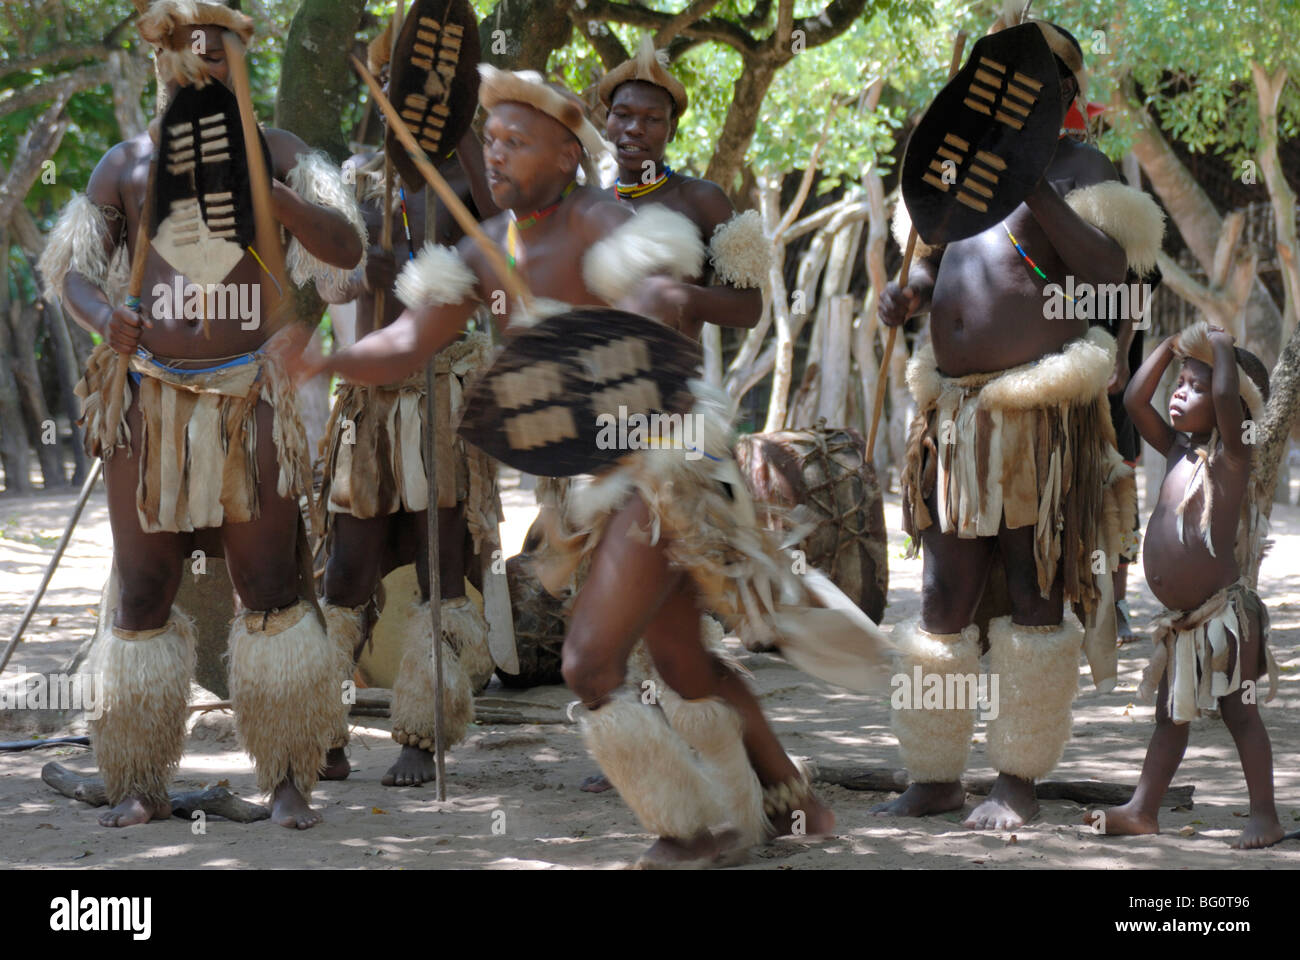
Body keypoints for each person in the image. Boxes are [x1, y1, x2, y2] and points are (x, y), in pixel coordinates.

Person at [286, 66, 876, 867]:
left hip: (664, 468)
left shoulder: (605, 225)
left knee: (588, 663)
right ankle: (791, 801)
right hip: (598, 482)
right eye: (490, 141)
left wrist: (635, 313)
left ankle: (692, 830)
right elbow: (407, 343)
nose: (495, 156)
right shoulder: (483, 247)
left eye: (516, 142)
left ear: (568, 155)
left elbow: (661, 301)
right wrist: (327, 363)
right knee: (681, 662)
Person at [38, 0, 365, 829]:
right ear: (161, 63)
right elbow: (69, 271)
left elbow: (347, 255)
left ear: (239, 67)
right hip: (147, 398)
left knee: (269, 586)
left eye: (218, 57)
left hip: (246, 396)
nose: (201, 68)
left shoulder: (280, 153)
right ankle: (143, 782)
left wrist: (277, 200)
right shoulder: (127, 163)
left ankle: (288, 776)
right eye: (187, 55)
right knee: (143, 592)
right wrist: (98, 317)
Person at [873, 19, 1164, 829]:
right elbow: (938, 263)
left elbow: (1111, 279)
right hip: (956, 419)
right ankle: (933, 773)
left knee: (1035, 596)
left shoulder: (1083, 170)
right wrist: (910, 294)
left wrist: (1032, 185)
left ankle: (1017, 781)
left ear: (1062, 96)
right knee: (941, 600)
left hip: (1037, 420)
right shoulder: (956, 177)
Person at [314, 17, 504, 788]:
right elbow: (327, 281)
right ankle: (322, 731)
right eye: (400, 83)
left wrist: (463, 153)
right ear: (383, 87)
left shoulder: (475, 181)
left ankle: (422, 739)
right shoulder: (359, 179)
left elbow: (504, 269)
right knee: (347, 571)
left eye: (436, 87)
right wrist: (367, 273)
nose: (414, 97)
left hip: (446, 396)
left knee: (439, 565)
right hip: (369, 405)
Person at [1089, 321, 1282, 848]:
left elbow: (1227, 392)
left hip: (1226, 617)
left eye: (1196, 387)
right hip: (1184, 624)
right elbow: (1133, 399)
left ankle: (1264, 814)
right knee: (1169, 718)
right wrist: (1174, 346)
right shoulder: (1175, 448)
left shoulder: (1233, 457)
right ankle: (1143, 809)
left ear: (1235, 409)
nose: (1180, 392)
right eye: (1180, 381)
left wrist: (1218, 345)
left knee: (1241, 713)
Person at [597, 35, 765, 338]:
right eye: (622, 115)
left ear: (671, 129)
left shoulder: (702, 200)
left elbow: (749, 307)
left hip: (671, 381)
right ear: (607, 120)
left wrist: (675, 295)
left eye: (652, 119)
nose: (634, 128)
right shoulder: (591, 205)